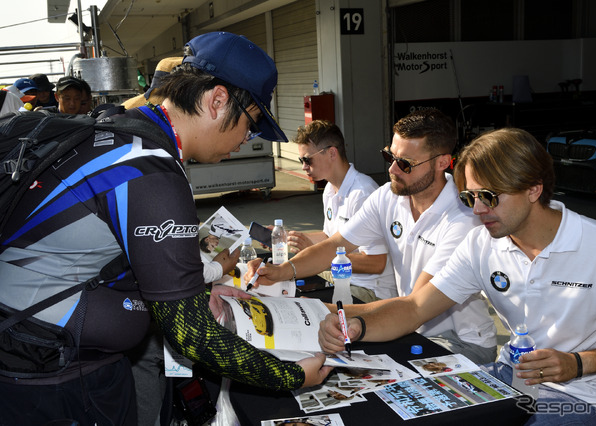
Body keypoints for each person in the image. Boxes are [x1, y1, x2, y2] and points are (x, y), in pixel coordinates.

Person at [0, 31, 331, 425]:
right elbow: (190, 332)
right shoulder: (151, 172)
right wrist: (291, 375)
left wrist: (197, 285)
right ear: (218, 100)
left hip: (41, 361)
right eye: (252, 123)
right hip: (55, 382)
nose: (247, 139)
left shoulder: (125, 127)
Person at [319, 127, 596, 424]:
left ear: (533, 189)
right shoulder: (482, 243)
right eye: (468, 197)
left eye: (488, 197)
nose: (476, 210)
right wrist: (356, 324)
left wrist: (580, 363)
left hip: (579, 394)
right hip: (506, 374)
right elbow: (416, 307)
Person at [248, 108, 497, 365]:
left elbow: (415, 305)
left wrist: (315, 310)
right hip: (412, 326)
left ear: (442, 162)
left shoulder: (463, 217)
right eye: (389, 156)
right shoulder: (389, 196)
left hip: (460, 341)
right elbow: (334, 244)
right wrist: (281, 272)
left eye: (405, 164)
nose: (392, 169)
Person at [288, 120, 396, 302]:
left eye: (307, 159)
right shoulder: (330, 190)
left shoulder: (362, 193)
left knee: (307, 308)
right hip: (344, 280)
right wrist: (287, 237)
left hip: (370, 290)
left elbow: (376, 263)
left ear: (331, 153)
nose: (304, 167)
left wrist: (320, 255)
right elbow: (329, 237)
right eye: (302, 160)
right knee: (287, 288)